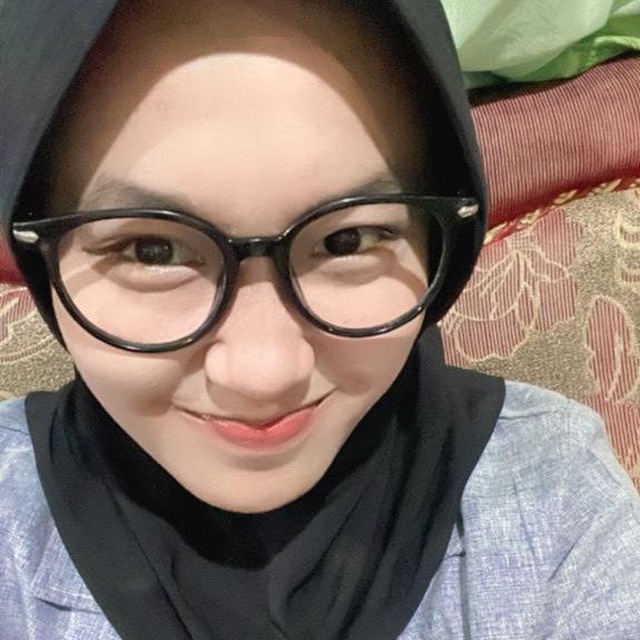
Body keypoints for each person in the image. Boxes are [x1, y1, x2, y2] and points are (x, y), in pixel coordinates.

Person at [1, 0, 639, 638]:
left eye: (346, 241)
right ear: (39, 253)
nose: (264, 373)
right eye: (153, 251)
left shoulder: (552, 494)